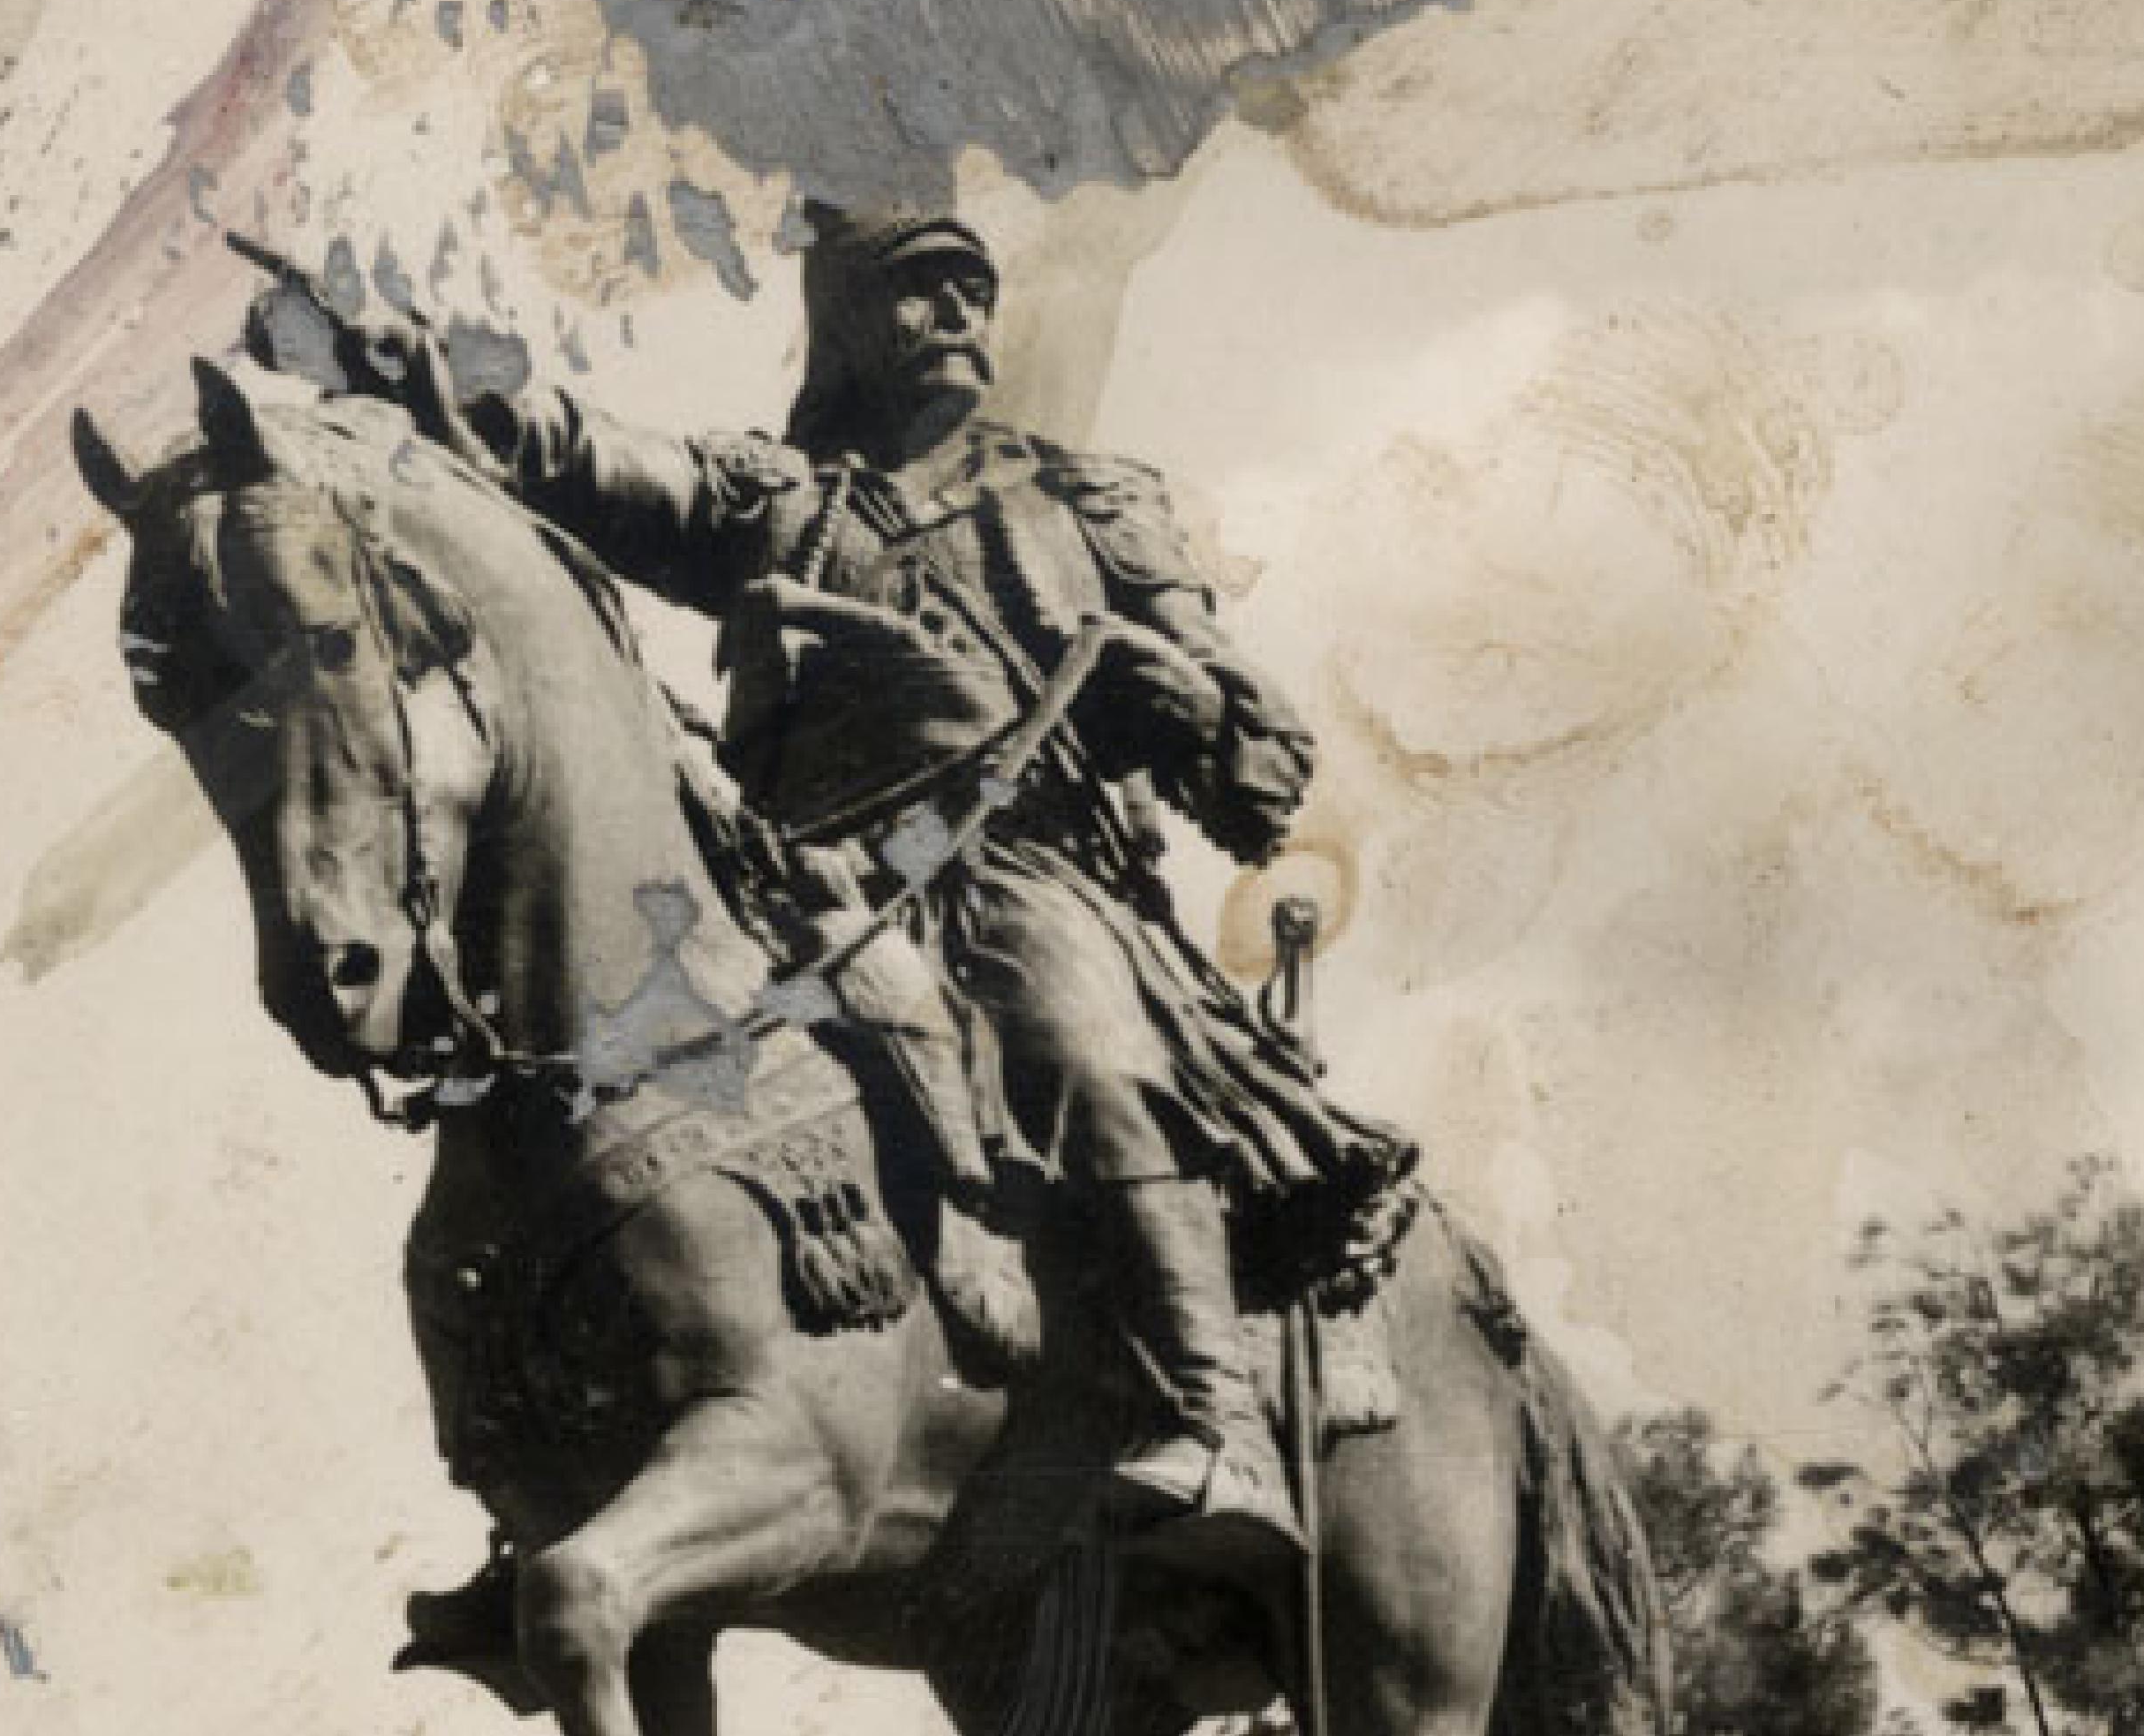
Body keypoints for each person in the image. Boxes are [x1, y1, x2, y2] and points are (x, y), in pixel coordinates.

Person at [299, 202, 1413, 1558]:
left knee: (1082, 1046)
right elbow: (585, 458)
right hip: (798, 886)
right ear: (842, 324)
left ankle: (1216, 1420)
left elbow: (1254, 746)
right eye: (915, 291)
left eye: (970, 289)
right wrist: (429, 370)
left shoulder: (1087, 501)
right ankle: (541, 1487)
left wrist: (1185, 698)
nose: (955, 315)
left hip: (1016, 872)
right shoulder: (774, 500)